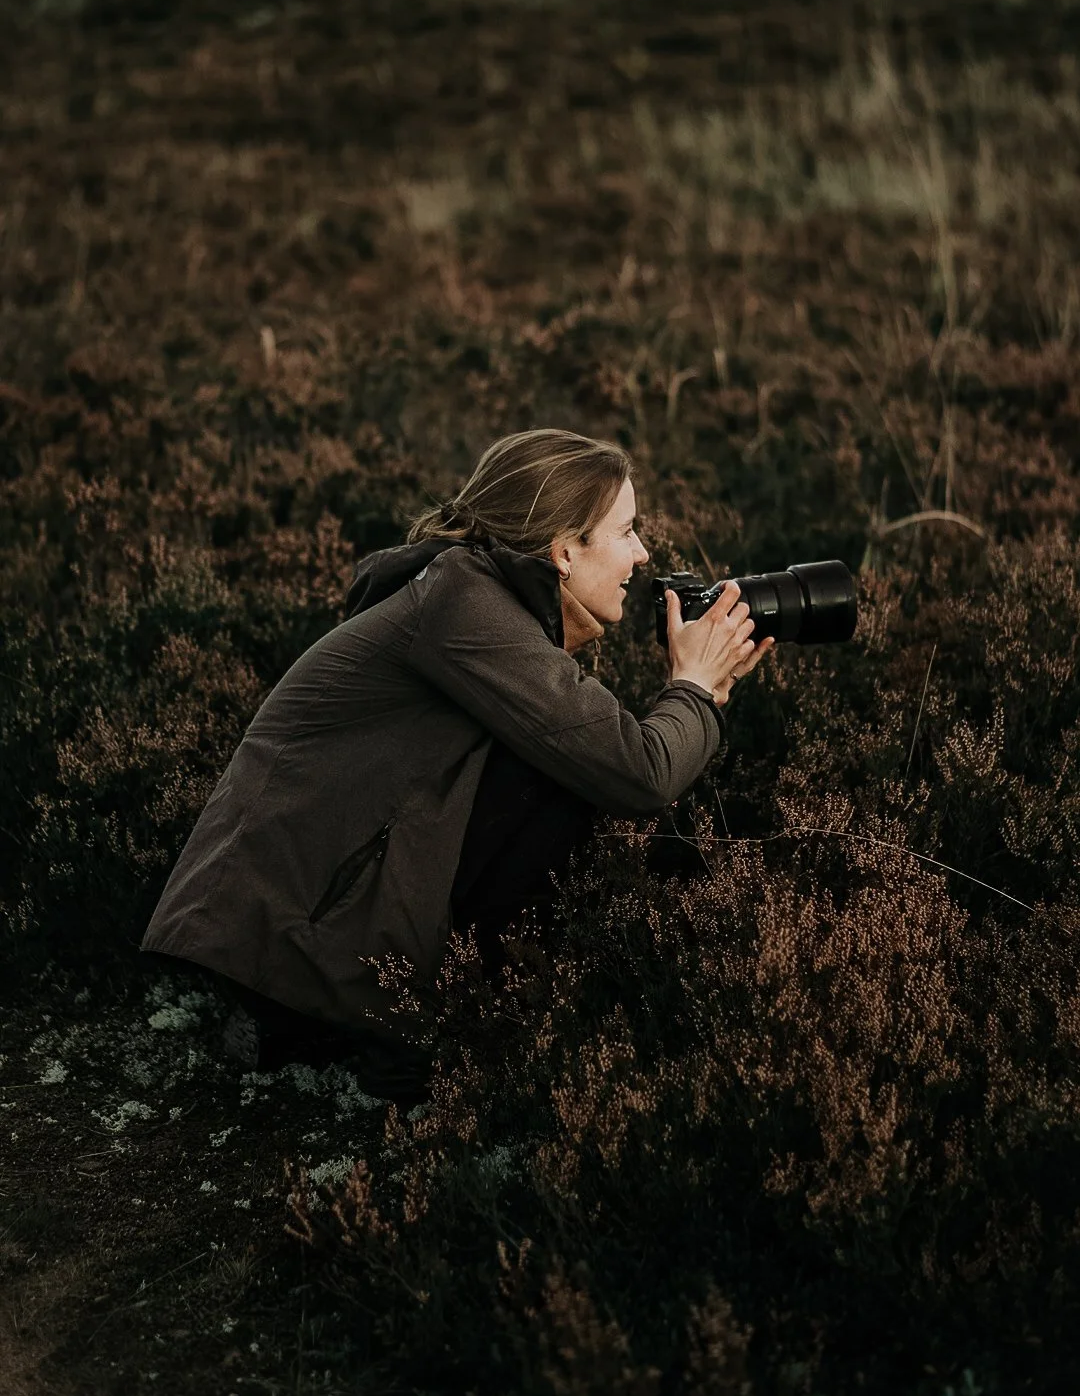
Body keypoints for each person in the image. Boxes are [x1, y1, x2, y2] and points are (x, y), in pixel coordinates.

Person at [140, 428, 774, 1105]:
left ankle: (338, 1022)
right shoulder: (465, 605)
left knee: (554, 774)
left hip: (302, 901)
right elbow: (640, 770)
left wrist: (692, 693)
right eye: (625, 531)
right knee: (562, 786)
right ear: (564, 550)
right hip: (292, 916)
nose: (643, 554)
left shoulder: (465, 591)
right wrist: (697, 690)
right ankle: (402, 1036)